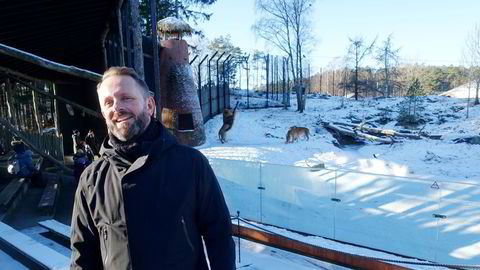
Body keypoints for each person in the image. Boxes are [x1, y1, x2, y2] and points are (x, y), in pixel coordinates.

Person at [70, 67, 235, 270]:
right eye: (108, 102)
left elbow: (218, 234)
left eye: (126, 98)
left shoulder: (191, 165)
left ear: (149, 105)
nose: (117, 107)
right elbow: (82, 254)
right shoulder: (92, 179)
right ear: (104, 113)